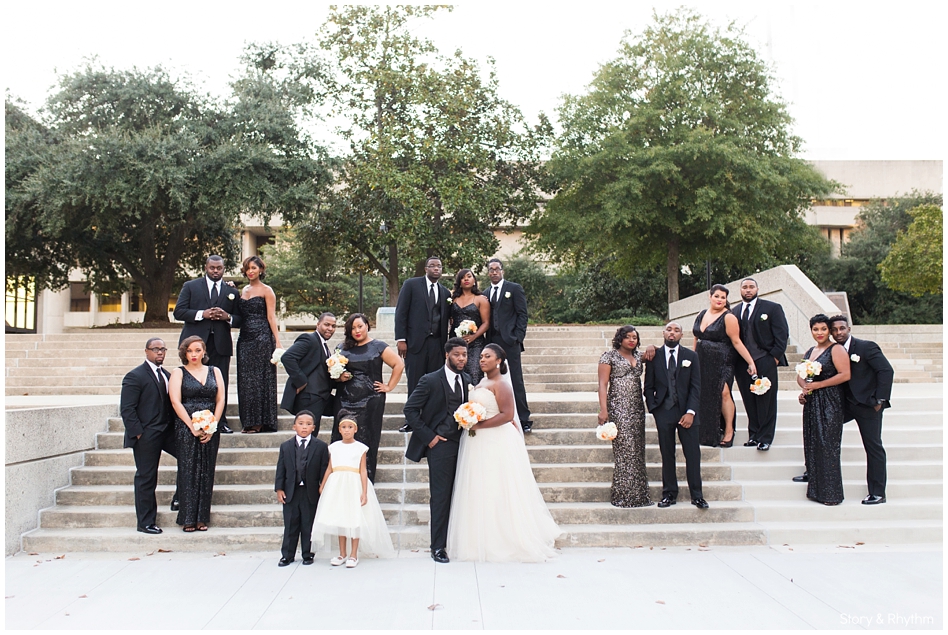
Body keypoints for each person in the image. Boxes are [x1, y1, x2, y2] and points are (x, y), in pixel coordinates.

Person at [448, 344, 562, 561]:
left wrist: (477, 426)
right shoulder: (481, 382)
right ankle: (479, 536)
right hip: (477, 442)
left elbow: (508, 414)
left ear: (498, 361)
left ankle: (505, 536)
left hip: (496, 440)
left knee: (498, 485)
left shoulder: (502, 384)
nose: (482, 360)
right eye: (481, 356)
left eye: (487, 356)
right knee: (481, 486)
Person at [403, 338, 471, 563]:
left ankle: (457, 539)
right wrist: (429, 437)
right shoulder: (430, 380)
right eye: (457, 354)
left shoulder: (468, 380)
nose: (461, 358)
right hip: (440, 445)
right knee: (441, 496)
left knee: (461, 493)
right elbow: (410, 410)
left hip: (465, 444)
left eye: (464, 354)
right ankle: (438, 547)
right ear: (447, 355)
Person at [313, 412, 395, 568]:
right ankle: (342, 553)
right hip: (337, 484)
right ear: (339, 429)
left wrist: (364, 491)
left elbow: (363, 470)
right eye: (344, 427)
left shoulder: (360, 448)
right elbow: (330, 468)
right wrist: (323, 484)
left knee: (354, 518)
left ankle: (353, 554)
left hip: (353, 483)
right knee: (341, 518)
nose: (347, 430)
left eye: (350, 427)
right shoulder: (334, 447)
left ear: (355, 429)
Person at [827, 315, 893, 504]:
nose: (839, 332)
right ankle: (814, 472)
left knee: (873, 447)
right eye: (835, 330)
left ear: (849, 329)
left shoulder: (866, 347)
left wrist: (880, 399)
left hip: (868, 405)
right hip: (844, 405)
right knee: (822, 431)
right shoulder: (832, 351)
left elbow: (886, 371)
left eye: (842, 328)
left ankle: (877, 492)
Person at [330, 314, 404, 483]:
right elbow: (332, 373)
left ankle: (366, 480)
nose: (357, 331)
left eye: (360, 327)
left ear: (367, 326)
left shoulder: (378, 346)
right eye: (353, 328)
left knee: (367, 438)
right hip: (344, 400)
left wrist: (389, 386)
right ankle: (339, 479)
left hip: (371, 400)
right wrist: (338, 378)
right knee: (341, 438)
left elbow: (398, 364)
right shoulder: (342, 348)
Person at [173, 255, 243, 433]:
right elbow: (178, 312)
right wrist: (201, 314)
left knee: (221, 383)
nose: (215, 271)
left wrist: (227, 317)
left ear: (224, 269)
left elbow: (240, 319)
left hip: (220, 344)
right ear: (206, 267)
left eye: (219, 268)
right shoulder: (190, 286)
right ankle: (191, 419)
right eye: (212, 268)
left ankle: (220, 422)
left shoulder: (232, 292)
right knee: (192, 382)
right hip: (194, 344)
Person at [643, 322, 707, 509]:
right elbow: (648, 386)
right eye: (669, 330)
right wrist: (655, 409)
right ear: (663, 333)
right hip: (664, 411)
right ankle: (669, 494)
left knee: (693, 454)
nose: (672, 333)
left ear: (681, 334)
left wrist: (690, 412)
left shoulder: (691, 356)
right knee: (667, 453)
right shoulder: (655, 356)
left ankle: (697, 495)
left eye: (676, 330)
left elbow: (696, 387)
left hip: (687, 411)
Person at [120, 337, 179, 534]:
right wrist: (138, 434)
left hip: (167, 432)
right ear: (146, 351)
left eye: (163, 349)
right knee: (146, 478)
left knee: (189, 457)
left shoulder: (169, 375)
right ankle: (145, 522)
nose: (160, 352)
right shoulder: (134, 376)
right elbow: (127, 410)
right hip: (146, 435)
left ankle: (180, 498)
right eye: (155, 349)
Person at [169, 336, 226, 531]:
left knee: (207, 471)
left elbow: (220, 400)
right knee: (188, 470)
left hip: (210, 426)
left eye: (197, 350)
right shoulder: (178, 373)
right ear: (184, 353)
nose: (194, 354)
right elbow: (176, 401)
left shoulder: (215, 371)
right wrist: (192, 426)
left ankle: (202, 517)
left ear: (204, 352)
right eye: (190, 351)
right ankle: (187, 518)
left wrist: (213, 426)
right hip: (186, 427)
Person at [693, 284, 758, 447]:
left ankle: (729, 430)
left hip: (723, 360)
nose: (720, 300)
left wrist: (750, 361)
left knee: (724, 392)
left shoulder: (728, 317)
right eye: (717, 296)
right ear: (710, 297)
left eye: (723, 297)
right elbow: (696, 338)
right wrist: (693, 359)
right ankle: (709, 431)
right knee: (706, 395)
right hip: (702, 361)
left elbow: (736, 341)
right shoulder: (701, 314)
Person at [796, 314, 851, 505]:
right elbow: (801, 375)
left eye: (823, 329)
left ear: (829, 330)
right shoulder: (811, 350)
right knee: (813, 443)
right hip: (812, 402)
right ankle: (816, 490)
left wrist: (818, 386)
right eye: (815, 329)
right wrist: (804, 388)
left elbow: (845, 374)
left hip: (830, 401)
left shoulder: (836, 349)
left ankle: (831, 495)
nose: (819, 333)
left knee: (828, 446)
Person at [730, 277, 789, 451]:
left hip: (765, 359)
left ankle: (765, 437)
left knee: (766, 400)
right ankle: (754, 435)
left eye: (751, 287)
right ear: (740, 290)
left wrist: (774, 359)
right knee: (749, 400)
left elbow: (782, 334)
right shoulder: (735, 311)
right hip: (742, 363)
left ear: (757, 289)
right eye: (744, 287)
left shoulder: (772, 308)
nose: (748, 290)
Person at [394, 256, 451, 432]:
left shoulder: (445, 292)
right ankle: (411, 421)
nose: (436, 269)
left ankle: (431, 419)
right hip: (415, 344)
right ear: (426, 269)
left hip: (437, 344)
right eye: (432, 266)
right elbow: (401, 312)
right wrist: (401, 339)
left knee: (435, 382)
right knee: (415, 382)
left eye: (439, 266)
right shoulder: (411, 285)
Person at [597, 326, 652, 508]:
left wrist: (653, 347)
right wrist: (603, 410)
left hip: (637, 408)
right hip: (618, 407)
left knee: (637, 450)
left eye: (634, 337)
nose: (631, 340)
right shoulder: (609, 357)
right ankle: (622, 496)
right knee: (624, 452)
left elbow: (657, 351)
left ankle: (640, 496)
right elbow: (602, 384)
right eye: (627, 337)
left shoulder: (639, 356)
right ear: (619, 339)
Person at [275, 411, 330, 566]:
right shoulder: (286, 446)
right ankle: (287, 555)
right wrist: (279, 488)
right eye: (301, 423)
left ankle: (308, 553)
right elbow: (281, 469)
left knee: (308, 523)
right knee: (291, 524)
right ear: (294, 426)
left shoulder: (320, 447)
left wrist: (322, 488)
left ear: (314, 427)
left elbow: (324, 469)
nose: (304, 427)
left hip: (310, 491)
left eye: (308, 424)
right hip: (291, 491)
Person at [485, 258, 532, 432]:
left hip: (510, 342)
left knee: (515, 379)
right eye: (491, 269)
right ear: (488, 273)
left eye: (497, 269)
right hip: (491, 342)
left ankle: (524, 418)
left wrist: (517, 337)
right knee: (494, 380)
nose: (494, 272)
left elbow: (522, 314)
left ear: (502, 271)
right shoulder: (485, 292)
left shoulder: (514, 289)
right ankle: (498, 414)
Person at [237, 256, 282, 433]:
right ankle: (247, 420)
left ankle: (260, 421)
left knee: (260, 379)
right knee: (246, 380)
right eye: (248, 268)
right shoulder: (243, 290)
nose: (250, 271)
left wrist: (277, 341)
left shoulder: (267, 290)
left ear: (261, 270)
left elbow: (271, 316)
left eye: (254, 268)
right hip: (244, 338)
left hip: (262, 337)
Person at [280, 312, 349, 423]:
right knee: (309, 433)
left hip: (322, 396)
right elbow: (287, 357)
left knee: (345, 410)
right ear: (318, 325)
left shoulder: (324, 345)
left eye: (333, 326)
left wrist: (339, 379)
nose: (330, 328)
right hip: (309, 396)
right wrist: (301, 381)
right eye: (326, 324)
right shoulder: (309, 339)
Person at [448, 268, 491, 385]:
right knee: (456, 375)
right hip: (455, 342)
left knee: (474, 373)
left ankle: (474, 402)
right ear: (459, 282)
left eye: (469, 276)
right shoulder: (453, 299)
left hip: (475, 344)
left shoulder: (481, 299)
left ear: (474, 280)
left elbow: (486, 323)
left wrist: (474, 336)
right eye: (462, 277)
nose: (466, 279)